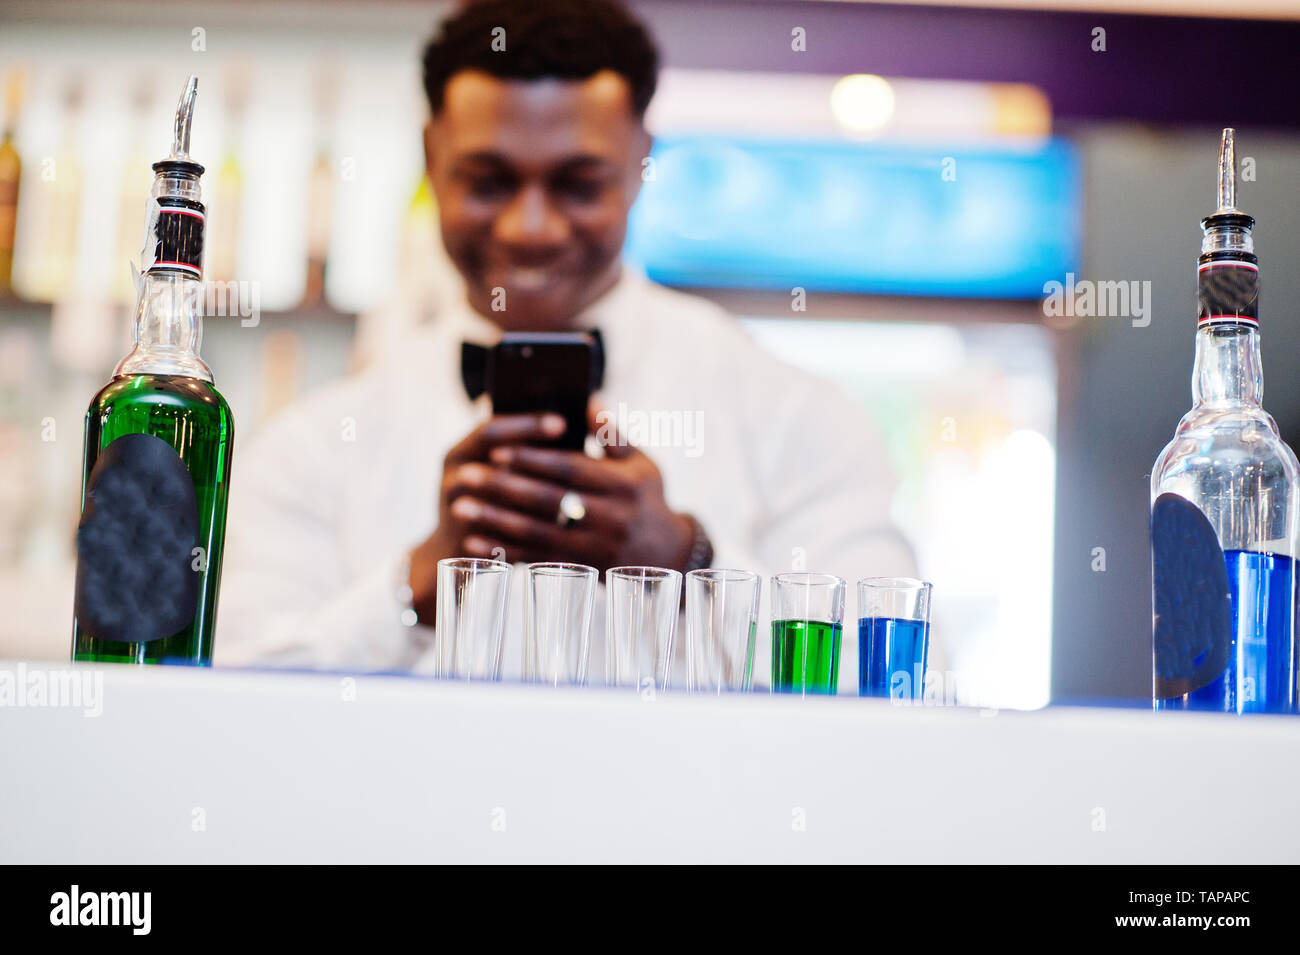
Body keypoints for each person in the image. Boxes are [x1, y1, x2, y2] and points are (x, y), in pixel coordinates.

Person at [216, 0, 914, 689]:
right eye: (489, 181)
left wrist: (690, 561)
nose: (531, 228)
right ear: (432, 158)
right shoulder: (311, 447)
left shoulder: (792, 414)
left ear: (641, 161)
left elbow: (894, 685)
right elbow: (232, 712)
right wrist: (413, 588)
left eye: (578, 184)